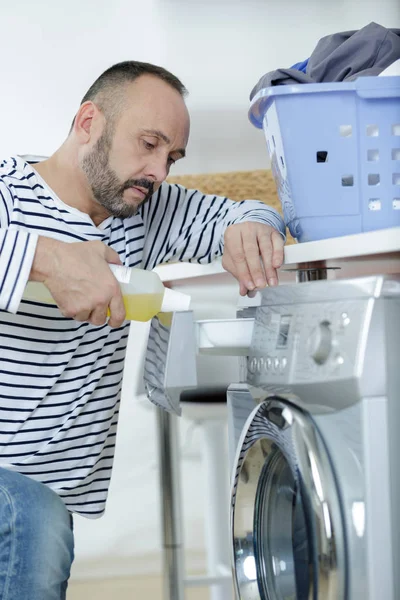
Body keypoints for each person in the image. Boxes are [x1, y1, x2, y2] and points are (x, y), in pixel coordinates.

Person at [0, 60, 285, 599]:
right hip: (18, 495)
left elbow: (243, 211)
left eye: (171, 157)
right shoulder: (9, 194)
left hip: (45, 495)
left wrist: (254, 225)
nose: (159, 171)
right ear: (88, 123)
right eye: (148, 143)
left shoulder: (145, 212)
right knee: (32, 519)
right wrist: (48, 261)